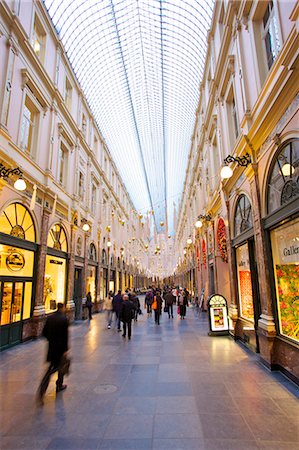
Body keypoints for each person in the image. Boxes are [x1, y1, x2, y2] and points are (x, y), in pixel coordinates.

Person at [37, 303, 69, 405]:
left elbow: (44, 333)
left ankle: (46, 389)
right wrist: (65, 350)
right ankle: (57, 386)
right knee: (60, 368)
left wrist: (51, 341)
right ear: (62, 308)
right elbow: (65, 337)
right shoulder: (64, 320)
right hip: (60, 350)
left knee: (52, 370)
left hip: (51, 349)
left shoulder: (50, 318)